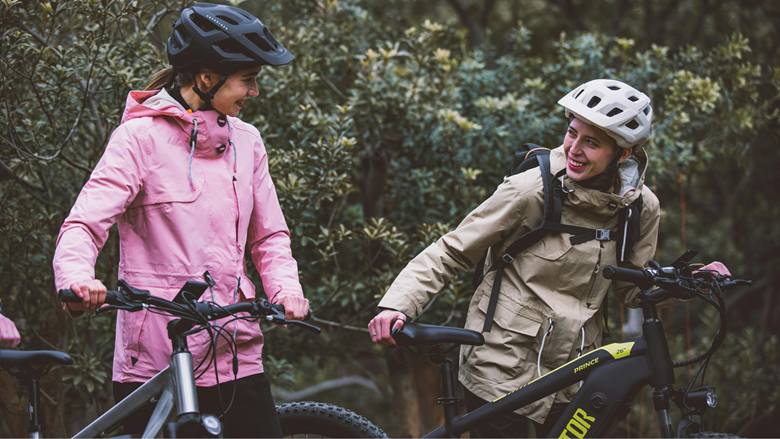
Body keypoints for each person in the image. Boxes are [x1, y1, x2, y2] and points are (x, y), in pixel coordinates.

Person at [369, 79, 729, 437]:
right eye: (572, 133)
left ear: (624, 154)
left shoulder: (639, 208)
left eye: (591, 142)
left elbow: (630, 289)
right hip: (501, 367)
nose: (574, 149)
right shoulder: (531, 190)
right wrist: (398, 306)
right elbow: (451, 250)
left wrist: (688, 282)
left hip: (575, 374)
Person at [52, 3, 307, 437]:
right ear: (207, 78)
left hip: (235, 351)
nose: (255, 92)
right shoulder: (139, 139)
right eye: (248, 79)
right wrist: (78, 278)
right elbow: (84, 224)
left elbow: (269, 236)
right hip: (156, 358)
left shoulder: (248, 141)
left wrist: (285, 289)